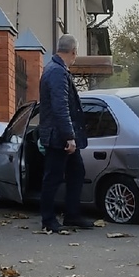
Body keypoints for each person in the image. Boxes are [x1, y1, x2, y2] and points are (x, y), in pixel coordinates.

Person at [38, 34, 93, 232]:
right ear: (73, 52)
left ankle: (72, 215)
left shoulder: (56, 69)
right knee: (52, 178)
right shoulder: (57, 72)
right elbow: (60, 107)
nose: (75, 57)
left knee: (76, 172)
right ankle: (48, 220)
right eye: (75, 54)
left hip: (60, 134)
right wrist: (69, 136)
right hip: (58, 136)